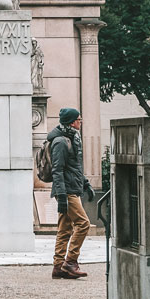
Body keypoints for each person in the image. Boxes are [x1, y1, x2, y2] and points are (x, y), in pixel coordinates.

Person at [49, 107, 95, 280]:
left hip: (71, 188)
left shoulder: (71, 138)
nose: (81, 122)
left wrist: (86, 184)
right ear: (71, 122)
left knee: (64, 229)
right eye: (79, 119)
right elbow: (57, 170)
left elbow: (74, 167)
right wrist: (61, 196)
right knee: (83, 224)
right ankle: (70, 262)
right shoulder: (61, 141)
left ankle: (58, 266)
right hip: (66, 191)